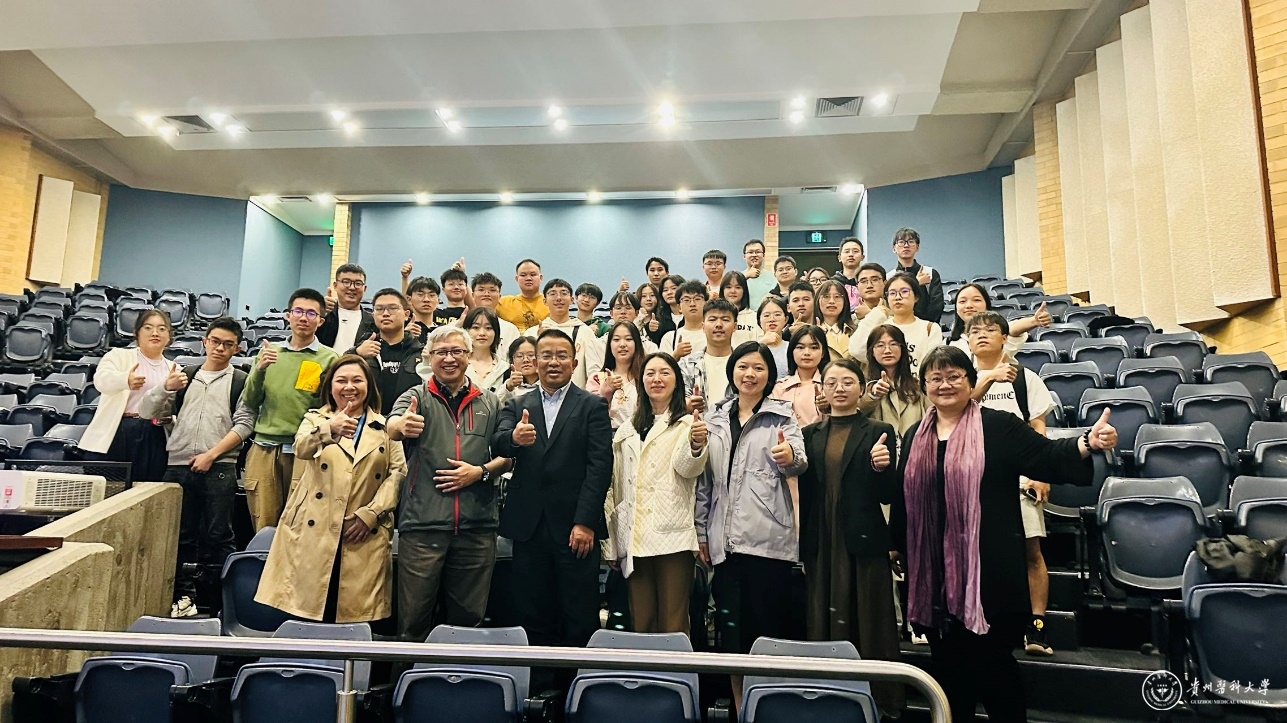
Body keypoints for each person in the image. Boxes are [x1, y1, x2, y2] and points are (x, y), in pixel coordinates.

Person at [891, 345, 1117, 722]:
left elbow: (1045, 455)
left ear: (970, 382)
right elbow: (905, 496)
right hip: (935, 577)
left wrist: (1086, 443)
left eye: (954, 377)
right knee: (948, 674)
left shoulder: (997, 426)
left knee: (995, 671)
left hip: (990, 574)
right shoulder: (916, 434)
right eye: (936, 378)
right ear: (925, 385)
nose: (945, 385)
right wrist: (898, 546)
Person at [696, 341, 808, 711]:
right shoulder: (715, 419)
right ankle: (741, 707)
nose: (750, 374)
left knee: (767, 636)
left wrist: (789, 456)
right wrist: (701, 532)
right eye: (743, 366)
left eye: (758, 368)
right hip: (724, 545)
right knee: (732, 640)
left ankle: (769, 708)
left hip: (767, 543)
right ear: (732, 371)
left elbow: (799, 461)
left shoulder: (782, 416)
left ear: (769, 375)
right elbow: (706, 484)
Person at [492, 330, 613, 672]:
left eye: (561, 355)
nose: (553, 362)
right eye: (546, 355)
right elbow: (497, 442)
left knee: (579, 614)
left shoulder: (591, 405)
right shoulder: (517, 403)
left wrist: (585, 521)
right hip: (529, 528)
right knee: (532, 612)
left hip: (575, 528)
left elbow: (600, 466)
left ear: (574, 362)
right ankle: (538, 688)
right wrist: (514, 439)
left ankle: (579, 686)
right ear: (534, 361)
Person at [255, 355, 407, 623]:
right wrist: (328, 429)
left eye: (357, 380)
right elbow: (301, 448)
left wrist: (370, 514)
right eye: (341, 381)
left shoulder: (385, 426)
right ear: (330, 386)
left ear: (369, 386)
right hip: (315, 529)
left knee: (353, 614)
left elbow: (397, 473)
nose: (349, 387)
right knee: (309, 611)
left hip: (362, 530)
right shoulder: (315, 419)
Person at [387, 326, 512, 639]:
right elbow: (393, 425)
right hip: (422, 528)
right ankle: (408, 671)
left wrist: (480, 472)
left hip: (476, 529)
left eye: (456, 351)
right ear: (429, 357)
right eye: (441, 352)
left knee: (467, 623)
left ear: (469, 356)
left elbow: (508, 457)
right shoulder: (416, 397)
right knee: (413, 621)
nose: (449, 358)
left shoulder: (490, 402)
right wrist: (402, 425)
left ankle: (459, 672)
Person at [798, 358, 903, 714]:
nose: (839, 388)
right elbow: (806, 495)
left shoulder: (879, 430)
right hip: (821, 538)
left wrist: (881, 467)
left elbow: (888, 494)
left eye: (847, 382)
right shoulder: (809, 434)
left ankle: (881, 701)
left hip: (862, 538)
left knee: (871, 619)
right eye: (831, 382)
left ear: (861, 388)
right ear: (822, 390)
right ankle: (826, 698)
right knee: (820, 616)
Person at [134, 316, 252, 617]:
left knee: (219, 537)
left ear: (237, 349)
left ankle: (220, 606)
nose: (220, 348)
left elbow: (244, 424)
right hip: (178, 465)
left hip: (220, 466)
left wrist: (212, 455)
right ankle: (183, 599)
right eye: (215, 342)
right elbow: (146, 411)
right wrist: (165, 387)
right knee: (179, 536)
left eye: (228, 344)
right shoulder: (184, 376)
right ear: (205, 342)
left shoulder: (241, 381)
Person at [965, 311, 1058, 657]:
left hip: (1019, 480)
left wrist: (1042, 472)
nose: (982, 335)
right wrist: (987, 379)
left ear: (1005, 337)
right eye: (975, 331)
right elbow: (957, 412)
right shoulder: (962, 378)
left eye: (990, 330)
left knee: (1031, 552)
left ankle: (1037, 625)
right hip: (971, 480)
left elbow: (1038, 427)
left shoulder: (1025, 378)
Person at [605, 352, 707, 636]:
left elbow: (687, 468)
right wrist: (612, 542)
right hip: (634, 535)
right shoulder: (626, 430)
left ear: (676, 381)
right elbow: (615, 487)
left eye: (665, 373)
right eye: (650, 373)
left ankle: (677, 667)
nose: (657, 379)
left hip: (672, 535)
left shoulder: (686, 424)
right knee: (641, 620)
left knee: (674, 621)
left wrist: (696, 444)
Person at [241, 288, 340, 530]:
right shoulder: (268, 352)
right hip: (265, 447)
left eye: (311, 313)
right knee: (264, 523)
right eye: (298, 311)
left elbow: (330, 408)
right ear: (288, 315)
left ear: (320, 321)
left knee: (299, 523)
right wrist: (260, 369)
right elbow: (250, 401)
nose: (303, 317)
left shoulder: (330, 358)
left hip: (306, 450)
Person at [81, 309, 178, 482]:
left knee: (145, 489)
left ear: (169, 336)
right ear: (137, 332)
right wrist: (125, 379)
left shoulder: (174, 369)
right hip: (118, 429)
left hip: (154, 433)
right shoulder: (119, 356)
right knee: (108, 487)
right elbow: (101, 380)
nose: (155, 333)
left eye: (162, 329)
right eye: (148, 327)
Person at [851, 272, 943, 376]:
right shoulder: (881, 328)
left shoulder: (930, 328)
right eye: (892, 293)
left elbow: (932, 366)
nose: (898, 297)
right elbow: (856, 350)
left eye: (904, 292)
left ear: (916, 297)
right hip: (885, 384)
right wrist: (876, 314)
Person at [350, 288, 424, 415]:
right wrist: (355, 354)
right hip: (368, 420)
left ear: (406, 314)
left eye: (392, 308)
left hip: (409, 419)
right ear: (373, 315)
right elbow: (334, 378)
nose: (385, 313)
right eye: (379, 309)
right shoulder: (362, 349)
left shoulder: (420, 352)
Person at [859, 324, 930, 440]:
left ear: (902, 348)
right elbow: (856, 412)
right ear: (872, 351)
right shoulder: (863, 387)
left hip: (913, 446)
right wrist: (873, 395)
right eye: (880, 345)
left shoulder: (917, 386)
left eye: (893, 344)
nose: (887, 350)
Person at [949, 283, 1052, 357]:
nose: (969, 305)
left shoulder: (999, 333)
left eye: (976, 300)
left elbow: (1013, 329)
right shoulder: (949, 343)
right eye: (962, 301)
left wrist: (1034, 321)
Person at [677, 298, 738, 413]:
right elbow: (677, 402)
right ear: (703, 326)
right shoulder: (687, 365)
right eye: (712, 319)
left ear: (735, 326)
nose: (719, 325)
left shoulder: (744, 364)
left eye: (725, 319)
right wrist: (687, 404)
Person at [588, 320, 648, 430]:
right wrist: (606, 393)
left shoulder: (647, 377)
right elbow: (590, 415)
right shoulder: (597, 379)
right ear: (609, 345)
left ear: (637, 343)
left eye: (628, 339)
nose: (622, 344)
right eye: (616, 340)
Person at [771, 325, 832, 430]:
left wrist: (830, 408)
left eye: (814, 347)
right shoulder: (780, 387)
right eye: (800, 347)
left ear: (823, 353)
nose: (807, 353)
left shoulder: (832, 386)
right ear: (792, 351)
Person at [888, 228, 945, 323]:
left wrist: (923, 325)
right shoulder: (890, 277)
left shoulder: (930, 273)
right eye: (901, 242)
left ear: (917, 247)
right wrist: (916, 283)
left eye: (911, 242)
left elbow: (937, 306)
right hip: (898, 327)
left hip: (927, 326)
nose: (906, 245)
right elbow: (889, 308)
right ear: (894, 248)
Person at [459, 272, 521, 358]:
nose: (486, 294)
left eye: (492, 290)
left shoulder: (511, 329)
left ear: (499, 296)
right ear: (473, 295)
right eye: (481, 290)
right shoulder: (460, 325)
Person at [319, 263, 376, 351]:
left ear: (364, 289)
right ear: (335, 285)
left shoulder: (373, 320)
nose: (352, 288)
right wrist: (318, 311)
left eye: (358, 283)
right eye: (346, 282)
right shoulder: (323, 315)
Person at [461, 307, 508, 394]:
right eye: (476, 327)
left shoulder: (505, 368)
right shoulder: (457, 364)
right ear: (466, 331)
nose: (482, 333)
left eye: (488, 328)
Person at [659, 280, 709, 360]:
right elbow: (662, 365)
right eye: (686, 300)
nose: (692, 304)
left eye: (697, 299)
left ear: (706, 304)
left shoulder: (715, 333)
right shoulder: (670, 337)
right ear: (679, 307)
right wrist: (676, 355)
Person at [497, 259, 549, 334]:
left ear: (540, 278)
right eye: (523, 275)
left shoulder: (551, 303)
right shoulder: (503, 303)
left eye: (533, 275)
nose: (528, 278)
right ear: (517, 279)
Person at [812, 279, 856, 360]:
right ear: (817, 301)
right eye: (826, 296)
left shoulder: (855, 331)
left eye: (837, 297)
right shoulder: (811, 333)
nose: (831, 301)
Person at [719, 271, 760, 342]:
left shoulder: (754, 317)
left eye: (738, 287)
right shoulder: (715, 317)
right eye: (728, 287)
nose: (733, 291)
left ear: (744, 291)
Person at [756, 296, 790, 380]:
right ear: (759, 320)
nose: (772, 319)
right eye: (766, 315)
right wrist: (761, 344)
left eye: (777, 314)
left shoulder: (791, 348)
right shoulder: (751, 348)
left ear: (786, 319)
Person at [500, 336, 540, 403]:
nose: (525, 360)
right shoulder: (510, 386)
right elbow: (496, 406)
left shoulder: (549, 384)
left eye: (531, 355)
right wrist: (508, 387)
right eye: (519, 356)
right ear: (512, 361)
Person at [404, 274, 442, 343]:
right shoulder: (400, 329)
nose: (426, 299)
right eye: (420, 295)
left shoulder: (443, 331)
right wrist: (404, 337)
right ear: (409, 299)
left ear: (438, 301)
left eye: (431, 295)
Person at [832, 237, 866, 309]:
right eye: (847, 251)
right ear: (839, 258)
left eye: (855, 251)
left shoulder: (867, 282)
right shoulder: (832, 282)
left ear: (862, 257)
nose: (851, 255)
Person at [742, 239, 775, 306]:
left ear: (764, 255)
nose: (754, 255)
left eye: (758, 252)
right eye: (750, 252)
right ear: (744, 256)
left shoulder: (773, 277)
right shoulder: (738, 277)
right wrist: (746, 276)